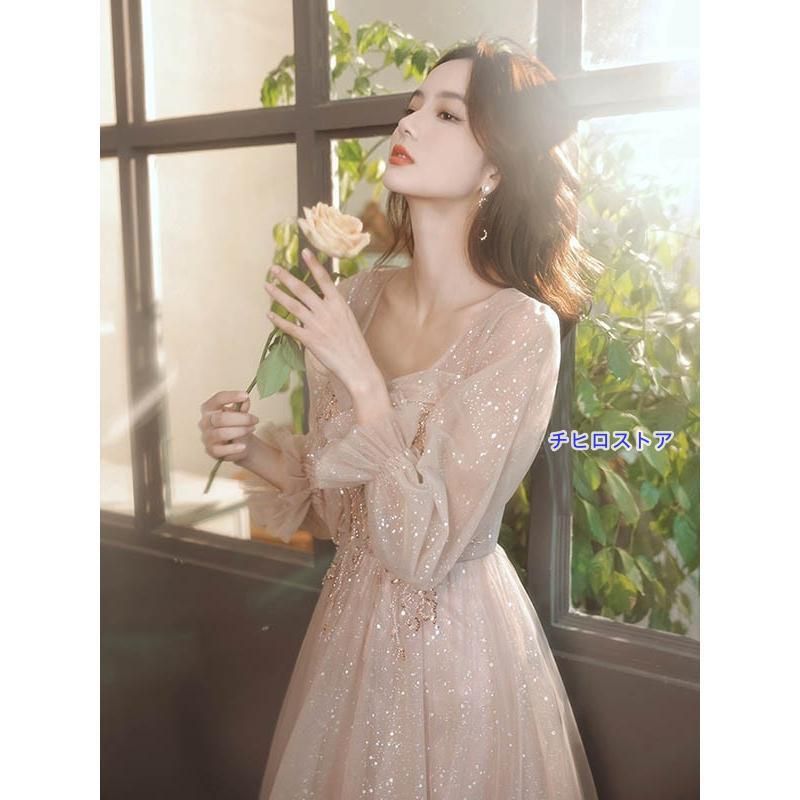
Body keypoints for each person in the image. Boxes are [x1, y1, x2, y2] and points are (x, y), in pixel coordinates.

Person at [200, 35, 601, 800]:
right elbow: (343, 512)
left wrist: (361, 374)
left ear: (495, 169)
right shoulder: (355, 299)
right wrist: (248, 447)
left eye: (446, 113)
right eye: (413, 106)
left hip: (460, 653)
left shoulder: (519, 330)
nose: (409, 124)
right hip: (348, 639)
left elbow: (423, 551)